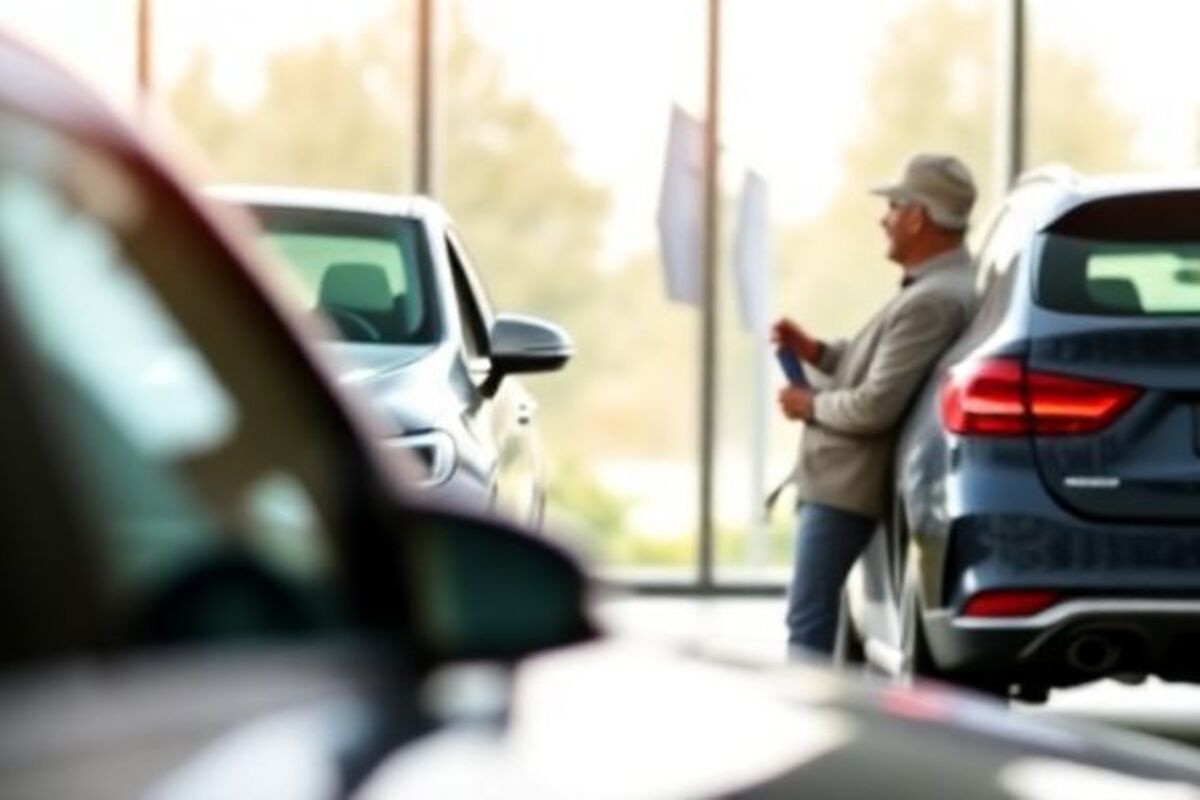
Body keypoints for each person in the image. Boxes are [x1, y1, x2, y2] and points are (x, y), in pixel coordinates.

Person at [773, 152, 978, 657]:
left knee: (809, 624)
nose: (883, 218)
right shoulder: (934, 289)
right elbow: (883, 370)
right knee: (825, 623)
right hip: (844, 485)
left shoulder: (934, 300)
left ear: (917, 216)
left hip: (846, 489)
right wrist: (817, 352)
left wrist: (810, 405)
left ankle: (807, 729)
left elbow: (874, 406)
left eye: (893, 205)